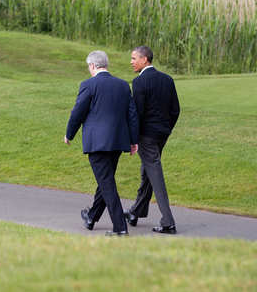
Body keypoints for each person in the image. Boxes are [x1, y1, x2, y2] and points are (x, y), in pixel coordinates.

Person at [64, 50, 139, 236]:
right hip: (117, 141)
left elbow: (77, 112)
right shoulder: (122, 85)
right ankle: (92, 216)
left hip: (97, 143)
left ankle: (120, 227)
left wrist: (69, 134)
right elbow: (132, 115)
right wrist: (133, 140)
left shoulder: (88, 85)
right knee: (105, 181)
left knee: (107, 184)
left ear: (92, 66)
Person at [124, 45, 180, 235]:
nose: (131, 62)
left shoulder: (139, 82)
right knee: (147, 172)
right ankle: (136, 211)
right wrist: (166, 129)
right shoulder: (167, 79)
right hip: (161, 134)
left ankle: (168, 221)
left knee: (155, 175)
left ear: (145, 59)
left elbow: (136, 114)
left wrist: (133, 138)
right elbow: (175, 110)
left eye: (134, 58)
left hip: (146, 136)